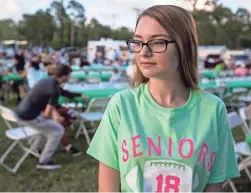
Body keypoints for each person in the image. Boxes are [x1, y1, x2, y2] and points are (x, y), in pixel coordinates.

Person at [87, 5, 239, 192]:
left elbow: (214, 184)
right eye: (138, 42)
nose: (144, 52)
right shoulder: (122, 105)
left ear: (184, 46)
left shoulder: (213, 109)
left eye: (157, 42)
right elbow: (107, 188)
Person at [16, 65, 88, 169]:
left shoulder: (48, 80)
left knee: (48, 128)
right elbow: (47, 114)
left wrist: (79, 95)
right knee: (57, 130)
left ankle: (36, 149)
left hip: (22, 113)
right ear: (64, 76)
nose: (69, 77)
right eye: (69, 75)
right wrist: (55, 118)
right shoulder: (53, 90)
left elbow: (63, 92)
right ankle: (44, 162)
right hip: (29, 117)